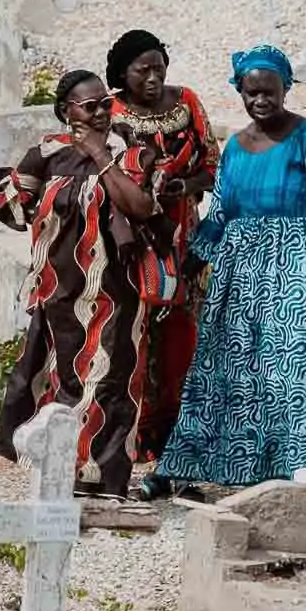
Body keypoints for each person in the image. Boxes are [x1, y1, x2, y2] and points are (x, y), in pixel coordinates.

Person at [154, 45, 306, 490]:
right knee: (228, 367)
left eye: (269, 91)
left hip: (299, 268)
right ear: (240, 91)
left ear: (285, 88)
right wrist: (184, 270)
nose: (260, 101)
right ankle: (199, 467)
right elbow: (221, 215)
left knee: (297, 369)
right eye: (250, 92)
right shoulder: (235, 147)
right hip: (240, 272)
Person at [0, 69, 161, 498]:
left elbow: (139, 205)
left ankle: (107, 480)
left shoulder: (131, 149)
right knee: (64, 380)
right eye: (89, 106)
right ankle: (65, 471)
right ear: (66, 111)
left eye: (105, 104)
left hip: (117, 290)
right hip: (59, 290)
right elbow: (11, 205)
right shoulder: (48, 153)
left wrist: (99, 155)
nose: (100, 113)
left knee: (113, 381)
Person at [104, 29, 219, 481]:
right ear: (122, 74)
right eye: (142, 70)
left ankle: (183, 433)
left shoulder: (186, 102)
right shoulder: (111, 113)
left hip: (184, 235)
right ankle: (137, 432)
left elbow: (211, 164)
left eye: (159, 67)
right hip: (136, 236)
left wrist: (184, 186)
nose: (153, 78)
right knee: (137, 329)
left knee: (182, 331)